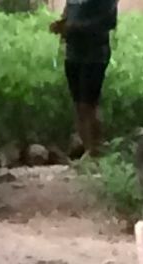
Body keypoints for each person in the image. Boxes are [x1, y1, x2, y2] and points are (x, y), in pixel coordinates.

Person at [51, 0, 118, 159]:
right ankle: (88, 150)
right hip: (73, 53)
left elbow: (108, 22)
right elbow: (69, 13)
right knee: (78, 106)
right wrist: (61, 24)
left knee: (89, 105)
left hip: (95, 55)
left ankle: (96, 152)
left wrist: (74, 28)